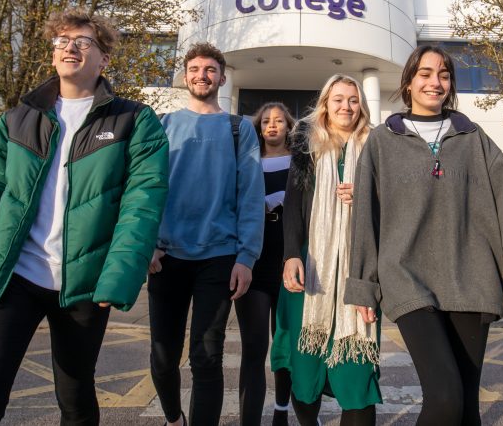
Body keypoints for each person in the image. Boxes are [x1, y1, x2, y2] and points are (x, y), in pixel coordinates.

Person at [0, 7, 169, 426]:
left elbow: (142, 202)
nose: (70, 48)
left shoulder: (134, 119)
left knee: (74, 395)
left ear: (104, 58)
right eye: (62, 41)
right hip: (13, 276)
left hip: (83, 282)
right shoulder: (17, 119)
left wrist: (119, 274)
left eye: (82, 41)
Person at [345, 45, 503, 426]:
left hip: (472, 278)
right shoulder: (382, 140)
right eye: (426, 74)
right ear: (409, 83)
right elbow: (365, 216)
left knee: (465, 407)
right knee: (445, 397)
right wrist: (364, 284)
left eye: (444, 74)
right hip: (407, 278)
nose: (436, 82)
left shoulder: (473, 137)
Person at [148, 42, 265, 426]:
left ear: (222, 77)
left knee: (206, 356)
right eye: (195, 68)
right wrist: (145, 245)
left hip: (218, 257)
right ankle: (172, 418)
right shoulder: (161, 125)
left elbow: (250, 195)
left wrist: (246, 257)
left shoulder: (239, 128)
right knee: (163, 356)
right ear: (185, 76)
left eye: (210, 69)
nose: (202, 75)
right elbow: (144, 191)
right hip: (166, 256)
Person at [272, 75, 381, 426]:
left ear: (361, 105)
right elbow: (293, 203)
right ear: (325, 104)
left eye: (353, 99)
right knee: (304, 371)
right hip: (312, 267)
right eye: (338, 99)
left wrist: (367, 197)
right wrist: (291, 255)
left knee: (357, 372)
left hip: (359, 270)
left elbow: (397, 206)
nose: (346, 106)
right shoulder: (307, 143)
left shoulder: (377, 145)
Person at [236, 102, 296, 426]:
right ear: (259, 128)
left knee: (283, 346)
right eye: (266, 122)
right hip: (254, 261)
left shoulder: (303, 163)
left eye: (279, 121)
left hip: (290, 260)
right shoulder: (248, 162)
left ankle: (281, 412)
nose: (272, 126)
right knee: (255, 348)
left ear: (289, 126)